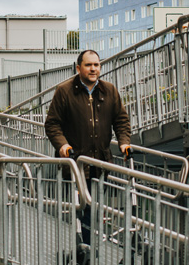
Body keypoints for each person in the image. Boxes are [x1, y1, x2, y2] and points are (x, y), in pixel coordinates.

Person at [45, 49, 131, 249]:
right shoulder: (64, 91)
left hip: (101, 162)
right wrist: (63, 145)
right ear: (78, 68)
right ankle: (87, 250)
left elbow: (121, 120)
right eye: (88, 65)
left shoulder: (109, 90)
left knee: (94, 208)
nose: (93, 69)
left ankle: (88, 249)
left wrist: (124, 142)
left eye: (96, 65)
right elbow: (52, 124)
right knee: (85, 209)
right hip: (76, 162)